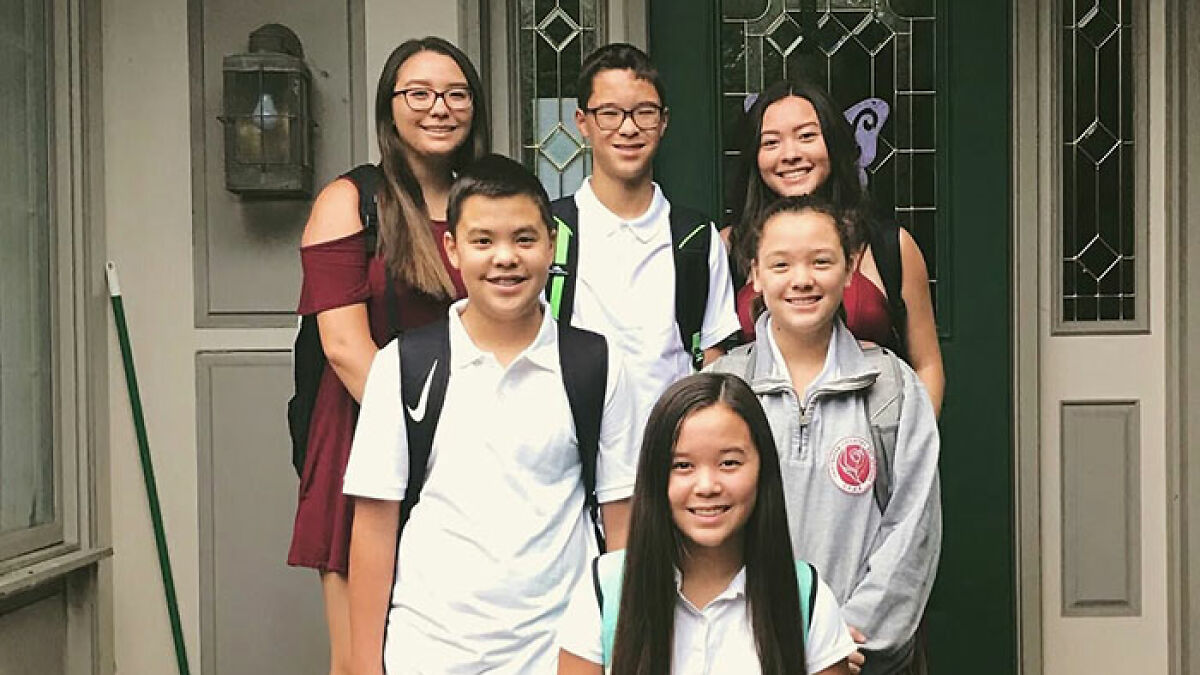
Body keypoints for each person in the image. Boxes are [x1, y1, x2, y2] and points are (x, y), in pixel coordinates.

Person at [343, 154, 637, 675]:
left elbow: (624, 526)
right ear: (453, 249)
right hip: (428, 652)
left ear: (552, 243)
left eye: (525, 239)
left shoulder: (594, 364)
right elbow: (374, 526)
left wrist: (624, 653)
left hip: (562, 653)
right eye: (483, 241)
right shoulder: (404, 366)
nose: (506, 258)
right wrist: (363, 664)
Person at [285, 36, 489, 675]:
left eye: (456, 94)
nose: (439, 108)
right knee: (363, 658)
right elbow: (345, 349)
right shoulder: (349, 201)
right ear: (390, 106)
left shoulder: (483, 201)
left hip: (477, 444)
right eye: (419, 93)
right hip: (368, 436)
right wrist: (435, 437)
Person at [711, 196, 941, 675]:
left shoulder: (892, 387)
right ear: (754, 272)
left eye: (821, 261)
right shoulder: (723, 390)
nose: (802, 279)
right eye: (781, 263)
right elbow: (699, 526)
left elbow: (912, 525)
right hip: (744, 651)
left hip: (855, 655)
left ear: (851, 266)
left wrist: (842, 638)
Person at [557, 372, 856, 675]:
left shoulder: (804, 595)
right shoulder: (605, 591)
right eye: (683, 466)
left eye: (729, 463)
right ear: (656, 474)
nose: (707, 486)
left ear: (762, 469)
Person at [726, 79, 944, 414]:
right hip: (762, 445)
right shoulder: (729, 246)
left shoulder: (889, 246)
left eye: (807, 136)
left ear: (834, 143)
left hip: (867, 448)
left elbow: (927, 364)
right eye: (771, 142)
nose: (791, 154)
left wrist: (909, 446)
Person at [557, 43, 741, 430]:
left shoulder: (694, 237)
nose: (628, 128)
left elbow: (712, 356)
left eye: (644, 112)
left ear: (664, 122)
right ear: (582, 122)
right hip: (572, 452)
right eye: (609, 113)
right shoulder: (550, 230)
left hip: (670, 453)